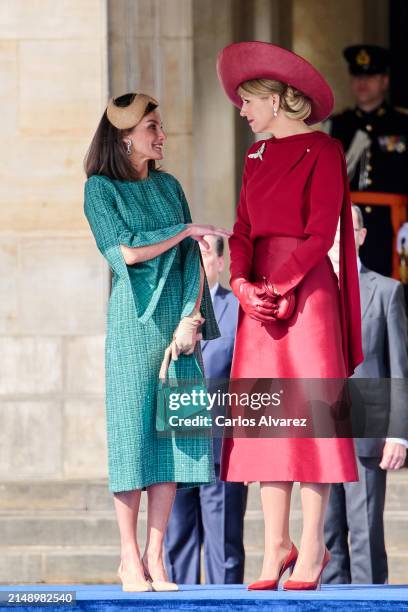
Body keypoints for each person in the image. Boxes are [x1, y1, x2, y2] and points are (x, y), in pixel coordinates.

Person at [217, 41, 363, 591]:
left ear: (276, 100)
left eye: (248, 101)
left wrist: (278, 284)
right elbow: (243, 230)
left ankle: (314, 547)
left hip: (308, 296)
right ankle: (274, 543)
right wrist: (240, 284)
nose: (242, 110)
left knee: (312, 420)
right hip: (259, 297)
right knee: (265, 421)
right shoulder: (254, 156)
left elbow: (322, 232)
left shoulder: (324, 151)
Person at [83, 93, 230, 592]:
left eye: (159, 126)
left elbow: (194, 262)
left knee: (176, 438)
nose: (161, 135)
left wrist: (192, 321)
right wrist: (184, 229)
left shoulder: (169, 185)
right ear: (125, 137)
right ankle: (128, 560)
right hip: (133, 330)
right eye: (152, 127)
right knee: (131, 441)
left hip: (177, 332)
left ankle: (156, 558)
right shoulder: (100, 190)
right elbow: (125, 250)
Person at [323, 205, 408, 584]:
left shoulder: (387, 292)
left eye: (347, 229)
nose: (339, 237)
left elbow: (399, 370)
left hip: (368, 433)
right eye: (333, 230)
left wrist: (398, 434)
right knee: (326, 540)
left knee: (365, 535)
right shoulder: (311, 295)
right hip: (320, 429)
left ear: (360, 235)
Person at [165, 235, 247, 584]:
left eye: (206, 252)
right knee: (176, 543)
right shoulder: (167, 309)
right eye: (192, 253)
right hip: (175, 446)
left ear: (221, 262)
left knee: (223, 546)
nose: (199, 259)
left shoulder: (239, 310)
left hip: (221, 449)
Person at [326, 45, 408, 277]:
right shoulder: (337, 125)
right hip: (348, 225)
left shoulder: (402, 123)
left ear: (384, 81)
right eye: (357, 76)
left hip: (394, 226)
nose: (363, 82)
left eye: (370, 76)